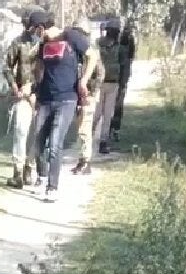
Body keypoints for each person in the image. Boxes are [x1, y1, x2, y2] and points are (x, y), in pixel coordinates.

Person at [29, 11, 97, 202]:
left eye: (35, 30)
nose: (34, 34)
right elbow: (40, 67)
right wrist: (36, 84)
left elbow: (92, 56)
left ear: (41, 27)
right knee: (38, 143)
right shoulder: (43, 44)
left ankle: (53, 187)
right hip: (45, 100)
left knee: (55, 143)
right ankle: (42, 177)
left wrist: (83, 81)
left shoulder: (71, 36)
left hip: (67, 99)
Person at [3, 10, 40, 189]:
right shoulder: (18, 43)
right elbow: (7, 67)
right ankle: (17, 172)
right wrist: (14, 86)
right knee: (20, 131)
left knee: (35, 133)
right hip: (22, 96)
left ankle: (29, 168)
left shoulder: (45, 44)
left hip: (40, 95)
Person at [71, 17, 105, 175]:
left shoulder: (92, 51)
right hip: (77, 95)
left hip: (88, 95)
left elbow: (100, 74)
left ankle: (85, 162)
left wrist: (91, 92)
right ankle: (82, 160)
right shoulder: (75, 51)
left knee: (84, 128)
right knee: (80, 128)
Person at [96, 18, 124, 155]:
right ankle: (99, 142)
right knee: (103, 114)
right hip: (107, 83)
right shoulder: (116, 47)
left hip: (106, 83)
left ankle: (98, 141)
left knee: (102, 114)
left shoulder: (99, 44)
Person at [111, 20, 136, 141]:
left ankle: (111, 129)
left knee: (112, 105)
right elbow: (131, 57)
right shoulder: (128, 48)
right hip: (121, 79)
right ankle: (115, 130)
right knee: (118, 105)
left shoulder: (116, 46)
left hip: (114, 79)